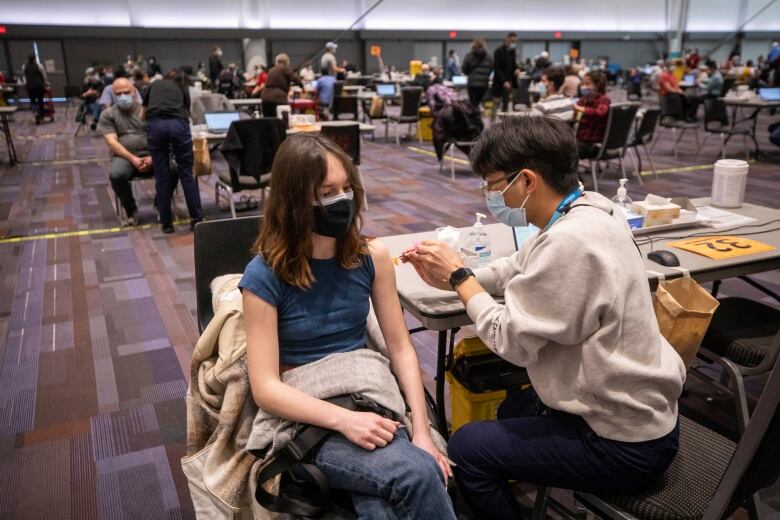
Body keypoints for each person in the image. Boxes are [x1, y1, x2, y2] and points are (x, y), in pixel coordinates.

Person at [405, 116, 684, 519]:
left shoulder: (571, 243)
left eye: (493, 184)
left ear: (527, 181)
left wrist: (462, 279)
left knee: (467, 447)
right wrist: (454, 277)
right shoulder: (587, 209)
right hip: (641, 411)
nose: (489, 194)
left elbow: (511, 341)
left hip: (622, 443)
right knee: (512, 409)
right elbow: (518, 266)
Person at [240, 134, 456, 519]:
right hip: (309, 414)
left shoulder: (371, 256)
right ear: (294, 202)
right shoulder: (264, 276)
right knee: (418, 474)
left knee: (386, 500)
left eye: (347, 188)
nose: (343, 200)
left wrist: (422, 432)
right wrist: (345, 420)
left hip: (369, 394)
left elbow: (401, 348)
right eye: (327, 192)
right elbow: (266, 388)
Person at [142, 68, 203, 233]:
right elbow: (187, 112)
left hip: (155, 125)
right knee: (186, 174)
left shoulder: (154, 85)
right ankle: (196, 219)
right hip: (177, 124)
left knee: (161, 175)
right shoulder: (181, 88)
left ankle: (167, 224)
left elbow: (143, 113)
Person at [97, 77, 153, 226]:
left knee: (174, 168)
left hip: (152, 153)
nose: (123, 97)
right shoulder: (108, 115)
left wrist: (152, 157)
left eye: (126, 92)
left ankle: (161, 202)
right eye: (118, 94)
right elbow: (112, 142)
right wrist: (133, 158)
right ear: (114, 95)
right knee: (116, 175)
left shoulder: (147, 110)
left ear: (134, 92)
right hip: (125, 157)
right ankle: (130, 208)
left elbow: (159, 136)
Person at [574, 70, 611, 158]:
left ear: (597, 86)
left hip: (594, 144)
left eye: (587, 84)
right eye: (583, 84)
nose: (583, 87)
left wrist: (581, 109)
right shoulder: (583, 100)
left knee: (563, 151)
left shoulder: (604, 99)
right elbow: (576, 117)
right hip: (582, 140)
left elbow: (600, 113)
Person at [491, 32, 520, 120]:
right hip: (499, 82)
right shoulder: (498, 51)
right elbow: (497, 68)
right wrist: (504, 81)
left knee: (506, 104)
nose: (514, 43)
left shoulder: (512, 52)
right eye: (513, 41)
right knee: (496, 103)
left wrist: (517, 69)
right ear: (508, 40)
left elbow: (514, 65)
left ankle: (503, 126)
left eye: (515, 42)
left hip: (510, 81)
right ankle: (492, 125)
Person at [261, 53, 296, 118]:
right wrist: (302, 86)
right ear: (287, 62)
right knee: (282, 121)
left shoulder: (271, 70)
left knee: (268, 121)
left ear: (276, 62)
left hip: (265, 97)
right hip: (279, 98)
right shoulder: (285, 68)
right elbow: (295, 79)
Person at [462, 38, 493, 110]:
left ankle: (474, 119)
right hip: (484, 84)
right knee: (479, 103)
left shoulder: (469, 55)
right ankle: (478, 118)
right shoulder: (489, 56)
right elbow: (491, 69)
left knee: (473, 105)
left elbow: (465, 70)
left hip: (472, 84)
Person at [22, 54, 48, 124]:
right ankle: (42, 115)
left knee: (32, 101)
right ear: (34, 59)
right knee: (40, 100)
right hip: (39, 85)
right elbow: (44, 75)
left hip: (30, 86)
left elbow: (24, 77)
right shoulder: (39, 66)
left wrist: (25, 84)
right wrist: (45, 83)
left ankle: (36, 113)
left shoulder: (24, 66)